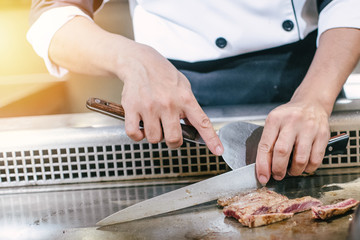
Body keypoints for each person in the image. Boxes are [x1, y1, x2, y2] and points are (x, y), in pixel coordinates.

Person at [27, 0, 360, 185]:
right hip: (172, 105)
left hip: (307, 81)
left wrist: (315, 98)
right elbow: (49, 20)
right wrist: (129, 58)